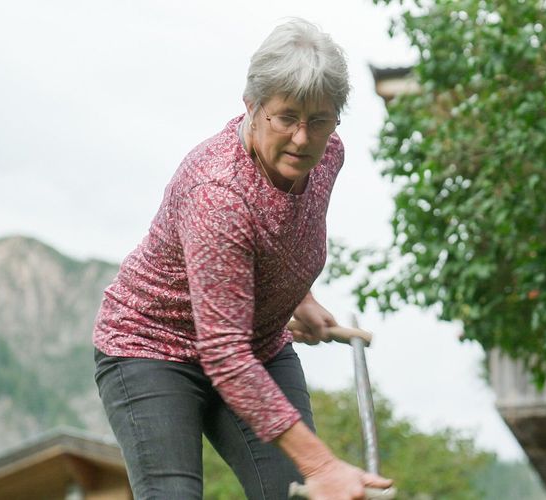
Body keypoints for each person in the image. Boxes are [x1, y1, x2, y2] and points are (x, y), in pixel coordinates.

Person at [92, 18, 393, 500]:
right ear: (252, 107)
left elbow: (288, 229)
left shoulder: (327, 154)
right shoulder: (218, 195)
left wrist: (300, 296)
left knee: (295, 495)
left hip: (254, 346)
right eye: (286, 117)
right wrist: (323, 464)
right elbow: (224, 353)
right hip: (154, 347)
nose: (301, 137)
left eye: (319, 120)